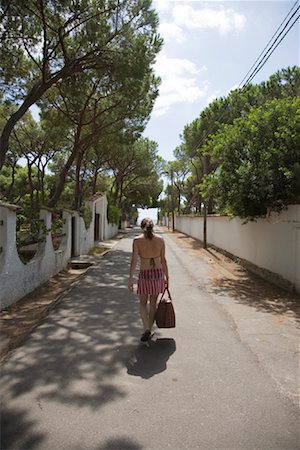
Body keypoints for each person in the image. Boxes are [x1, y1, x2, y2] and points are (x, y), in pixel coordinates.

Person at [128, 218, 169, 342]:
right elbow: (163, 260)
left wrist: (130, 278)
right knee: (153, 303)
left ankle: (146, 328)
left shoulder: (137, 241)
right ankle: (149, 329)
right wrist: (167, 276)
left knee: (142, 303)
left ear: (142, 227)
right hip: (157, 274)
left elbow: (134, 261)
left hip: (144, 274)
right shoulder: (160, 240)